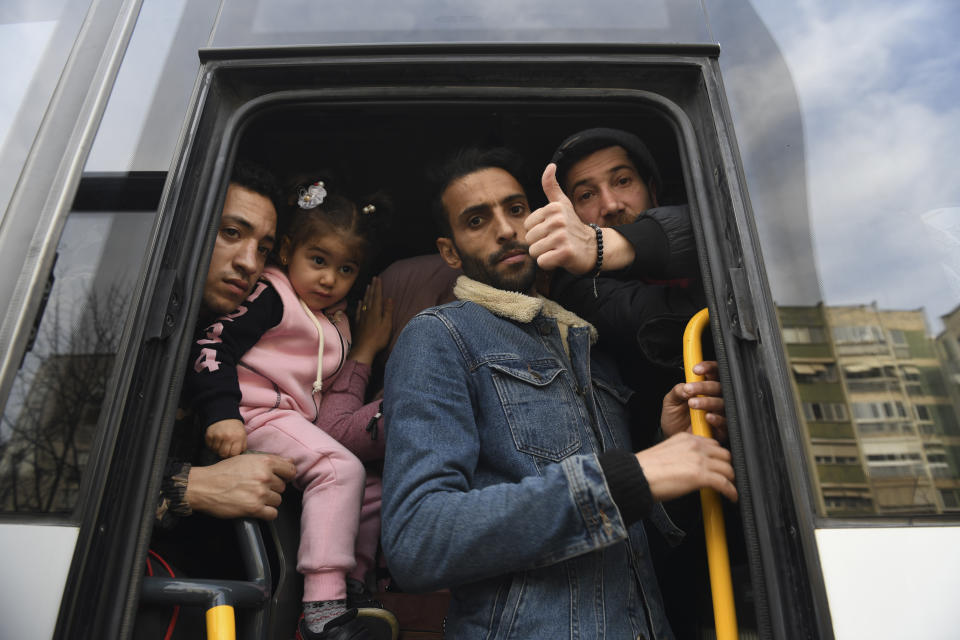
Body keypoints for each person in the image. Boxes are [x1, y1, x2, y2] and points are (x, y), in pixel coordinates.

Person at [380, 147, 735, 639]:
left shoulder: (588, 343)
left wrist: (662, 441)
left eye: (516, 209)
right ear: (450, 251)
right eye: (478, 220)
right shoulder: (439, 335)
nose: (505, 229)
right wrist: (623, 479)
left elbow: (633, 533)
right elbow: (418, 538)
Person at [183, 180, 399, 640]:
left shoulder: (337, 319)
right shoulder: (271, 294)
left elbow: (333, 398)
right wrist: (223, 412)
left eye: (345, 269)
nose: (328, 278)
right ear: (287, 250)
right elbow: (212, 343)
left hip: (294, 422)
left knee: (371, 485)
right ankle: (322, 606)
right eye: (318, 261)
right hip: (253, 415)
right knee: (340, 470)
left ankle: (351, 586)